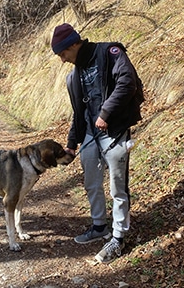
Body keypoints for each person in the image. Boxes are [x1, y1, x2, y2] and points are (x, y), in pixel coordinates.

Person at [51, 23, 143, 264]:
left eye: (63, 53)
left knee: (117, 186)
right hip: (91, 135)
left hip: (115, 131)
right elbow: (78, 113)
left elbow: (127, 82)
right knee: (92, 182)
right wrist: (72, 143)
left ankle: (118, 237)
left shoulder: (110, 53)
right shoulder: (74, 76)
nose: (62, 60)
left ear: (73, 44)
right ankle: (99, 226)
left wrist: (105, 113)